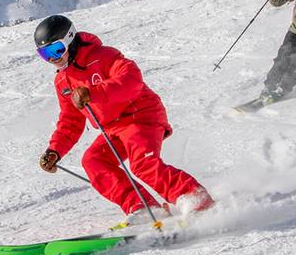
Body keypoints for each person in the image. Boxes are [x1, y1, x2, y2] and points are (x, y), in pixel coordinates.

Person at [33, 15, 214, 222]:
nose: (52, 58)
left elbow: (131, 79)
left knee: (142, 164)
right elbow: (70, 120)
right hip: (113, 128)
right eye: (44, 54)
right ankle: (143, 208)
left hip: (140, 116)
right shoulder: (63, 81)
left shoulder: (103, 56)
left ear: (70, 39)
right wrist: (55, 150)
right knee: (94, 161)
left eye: (56, 50)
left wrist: (94, 93)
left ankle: (194, 198)